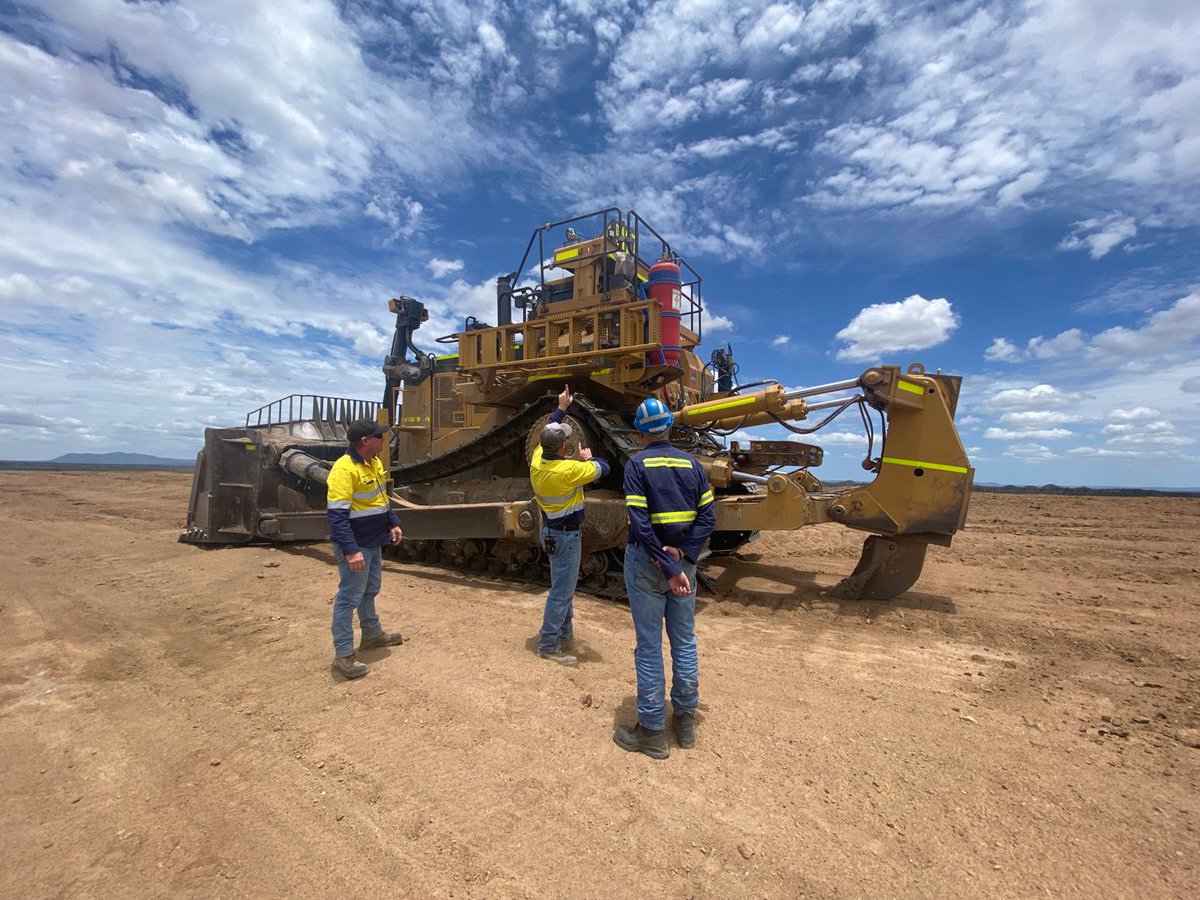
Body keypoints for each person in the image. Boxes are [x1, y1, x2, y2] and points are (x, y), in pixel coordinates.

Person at [613, 397, 715, 759]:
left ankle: (652, 730)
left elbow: (640, 525)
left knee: (649, 645)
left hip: (647, 563)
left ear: (641, 434)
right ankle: (685, 721)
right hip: (683, 566)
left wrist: (667, 566)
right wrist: (682, 556)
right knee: (684, 640)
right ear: (670, 427)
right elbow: (708, 518)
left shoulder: (636, 466)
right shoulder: (693, 465)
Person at [530, 385, 610, 666]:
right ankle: (548, 645)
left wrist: (562, 408)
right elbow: (604, 468)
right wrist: (589, 458)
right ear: (564, 448)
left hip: (550, 531)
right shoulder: (569, 470)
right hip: (566, 538)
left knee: (561, 588)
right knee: (561, 593)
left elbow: (548, 428)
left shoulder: (538, 460)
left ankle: (565, 634)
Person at [326, 417, 406, 679]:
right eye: (379, 436)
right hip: (357, 544)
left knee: (370, 591)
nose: (384, 440)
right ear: (365, 441)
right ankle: (344, 655)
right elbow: (337, 517)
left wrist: (393, 522)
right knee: (349, 597)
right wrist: (351, 550)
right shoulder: (344, 469)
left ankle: (371, 635)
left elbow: (381, 500)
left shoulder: (374, 463)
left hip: (373, 541)